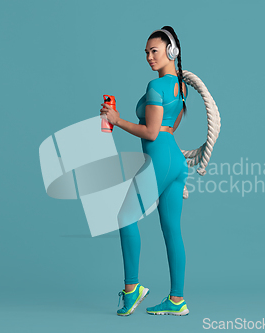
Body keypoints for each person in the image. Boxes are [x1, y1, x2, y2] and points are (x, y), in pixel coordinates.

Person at [100, 26, 190, 316]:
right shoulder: (181, 86)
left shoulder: (156, 87)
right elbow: (169, 127)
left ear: (171, 51)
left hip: (160, 158)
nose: (150, 57)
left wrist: (116, 119)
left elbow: (151, 133)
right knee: (172, 230)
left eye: (155, 50)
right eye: (146, 53)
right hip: (175, 159)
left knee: (125, 216)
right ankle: (177, 301)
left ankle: (132, 289)